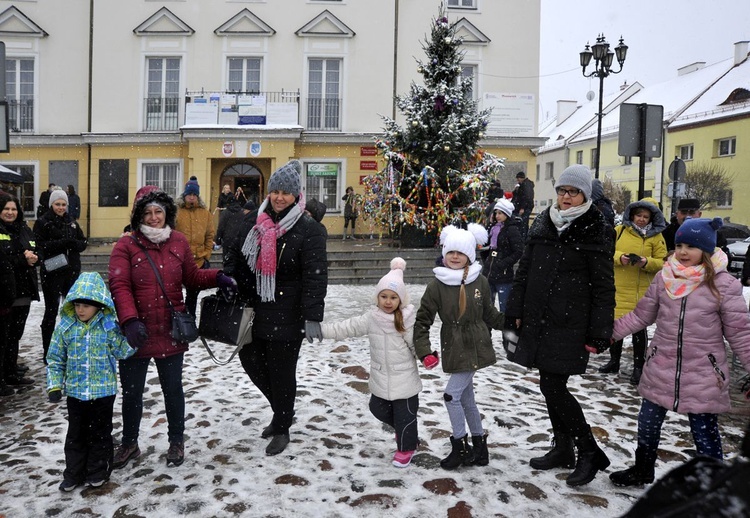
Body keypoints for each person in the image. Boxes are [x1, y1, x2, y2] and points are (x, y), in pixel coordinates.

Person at [609, 217, 750, 487]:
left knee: (705, 434)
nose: (683, 252)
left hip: (704, 374)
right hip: (661, 366)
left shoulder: (724, 286)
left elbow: (741, 334)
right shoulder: (665, 278)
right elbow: (640, 316)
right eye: (680, 245)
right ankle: (642, 469)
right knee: (647, 424)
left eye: (691, 246)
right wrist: (609, 335)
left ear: (707, 251)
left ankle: (710, 484)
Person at [108, 186, 237, 469]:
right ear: (138, 215)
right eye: (147, 212)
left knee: (173, 389)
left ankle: (176, 441)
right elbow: (119, 284)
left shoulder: (178, 241)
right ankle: (130, 443)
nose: (154, 217)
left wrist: (218, 277)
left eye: (159, 211)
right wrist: (129, 320)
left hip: (170, 329)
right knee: (132, 392)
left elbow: (191, 276)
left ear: (167, 213)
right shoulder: (126, 245)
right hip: (136, 332)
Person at [504, 164, 615, 487]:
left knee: (553, 386)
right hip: (539, 318)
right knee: (547, 384)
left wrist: (600, 330)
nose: (566, 198)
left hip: (571, 321)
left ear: (585, 195)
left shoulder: (596, 228)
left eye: (573, 192)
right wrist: (514, 311)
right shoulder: (543, 222)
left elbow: (604, 286)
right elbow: (524, 271)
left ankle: (589, 450)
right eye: (562, 191)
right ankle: (563, 448)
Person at [225, 160, 328, 456]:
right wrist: (232, 280)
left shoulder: (309, 229)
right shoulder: (254, 221)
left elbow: (315, 276)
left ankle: (281, 427)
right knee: (251, 361)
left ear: (296, 195)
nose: (280, 197)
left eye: (286, 192)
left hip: (288, 312)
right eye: (276, 191)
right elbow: (234, 252)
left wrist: (312, 316)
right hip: (255, 310)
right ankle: (282, 411)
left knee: (282, 372)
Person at [414, 223, 505, 470]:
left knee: (450, 396)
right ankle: (480, 448)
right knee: (466, 399)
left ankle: (460, 448)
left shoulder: (480, 282)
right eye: (450, 252)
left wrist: (512, 323)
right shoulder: (436, 285)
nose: (455, 257)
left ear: (469, 256)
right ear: (444, 254)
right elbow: (423, 320)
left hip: (475, 344)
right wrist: (424, 351)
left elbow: (489, 314)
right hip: (453, 345)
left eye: (460, 252)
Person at [321, 258, 421, 468]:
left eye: (393, 297)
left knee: (406, 415)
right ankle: (406, 431)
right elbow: (347, 327)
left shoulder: (406, 320)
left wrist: (427, 356)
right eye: (383, 296)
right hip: (381, 376)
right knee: (377, 408)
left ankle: (407, 447)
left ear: (400, 300)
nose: (387, 301)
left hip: (405, 378)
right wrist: (321, 331)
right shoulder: (372, 318)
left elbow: (417, 344)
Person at [46, 272, 136, 491]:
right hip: (76, 393)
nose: (80, 310)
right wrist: (54, 385)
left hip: (103, 393)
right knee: (75, 435)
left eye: (86, 306)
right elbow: (55, 358)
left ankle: (97, 471)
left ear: (99, 305)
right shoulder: (65, 328)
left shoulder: (108, 327)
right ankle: (73, 473)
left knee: (100, 434)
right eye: (77, 305)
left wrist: (134, 340)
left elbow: (121, 351)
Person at [599, 199, 667, 385]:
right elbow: (606, 252)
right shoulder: (619, 231)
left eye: (646, 217)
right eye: (639, 215)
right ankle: (614, 361)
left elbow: (663, 262)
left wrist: (646, 262)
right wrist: (620, 257)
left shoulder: (656, 237)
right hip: (619, 287)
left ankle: (639, 368)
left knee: (638, 330)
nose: (642, 220)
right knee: (617, 326)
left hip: (641, 291)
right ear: (632, 215)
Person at [34, 187, 88, 362]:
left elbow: (82, 241)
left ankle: (72, 347)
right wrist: (62, 243)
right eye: (57, 204)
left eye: (64, 204)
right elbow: (40, 245)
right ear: (51, 204)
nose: (61, 207)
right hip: (52, 272)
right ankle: (48, 351)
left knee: (73, 311)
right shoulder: (43, 222)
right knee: (51, 311)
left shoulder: (71, 221)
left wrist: (75, 244)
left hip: (71, 271)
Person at [0, 193, 38, 392]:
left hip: (24, 290)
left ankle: (11, 371)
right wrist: (23, 259)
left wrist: (34, 257)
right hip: (6, 292)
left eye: (13, 209)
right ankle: (4, 375)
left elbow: (34, 248)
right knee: (4, 336)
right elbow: (4, 260)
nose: (10, 212)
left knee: (15, 334)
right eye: (6, 209)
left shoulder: (23, 228)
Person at [175, 176, 215, 316]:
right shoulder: (176, 212)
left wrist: (207, 254)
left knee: (192, 296)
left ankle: (189, 322)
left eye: (194, 194)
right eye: (189, 194)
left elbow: (210, 235)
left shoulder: (205, 214)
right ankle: (179, 322)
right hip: (178, 260)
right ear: (185, 195)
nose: (191, 197)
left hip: (198, 261)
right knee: (175, 295)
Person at [480, 198, 524, 312]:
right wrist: (486, 259)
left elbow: (518, 251)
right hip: (489, 273)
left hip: (503, 276)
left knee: (504, 308)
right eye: (496, 213)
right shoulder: (493, 228)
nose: (497, 216)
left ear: (507, 214)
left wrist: (503, 263)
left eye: (500, 213)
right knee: (487, 308)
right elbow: (488, 247)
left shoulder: (512, 229)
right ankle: (487, 330)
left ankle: (506, 329)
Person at [511, 171, 534, 238]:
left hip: (525, 207)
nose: (518, 181)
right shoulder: (525, 185)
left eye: (518, 179)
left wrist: (522, 208)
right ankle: (524, 237)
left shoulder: (525, 185)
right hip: (526, 207)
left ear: (521, 178)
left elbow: (526, 197)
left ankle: (524, 238)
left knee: (523, 224)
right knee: (523, 223)